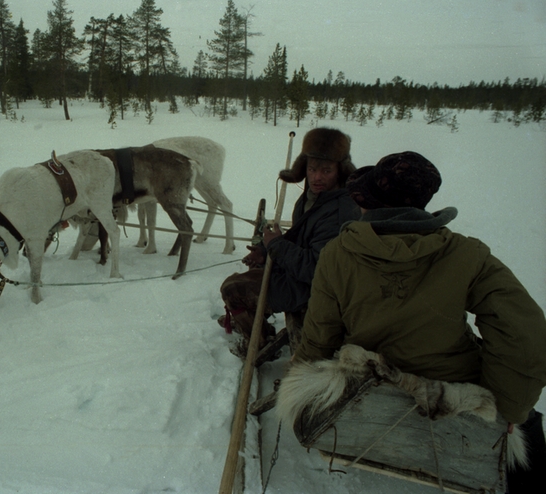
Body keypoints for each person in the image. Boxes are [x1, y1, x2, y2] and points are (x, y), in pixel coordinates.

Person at [293, 151, 546, 488]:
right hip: (451, 387)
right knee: (528, 425)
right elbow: (526, 337)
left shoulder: (337, 254)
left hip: (372, 380)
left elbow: (320, 336)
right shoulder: (467, 254)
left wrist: (300, 384)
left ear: (367, 202)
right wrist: (510, 412)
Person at [218, 127, 360, 350]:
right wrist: (266, 252)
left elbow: (316, 270)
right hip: (298, 277)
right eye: (312, 169)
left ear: (340, 171)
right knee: (238, 281)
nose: (317, 177)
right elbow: (300, 236)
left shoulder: (339, 211)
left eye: (326, 171)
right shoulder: (314, 196)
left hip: (317, 292)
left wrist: (276, 245)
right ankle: (253, 322)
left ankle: (258, 342)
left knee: (232, 290)